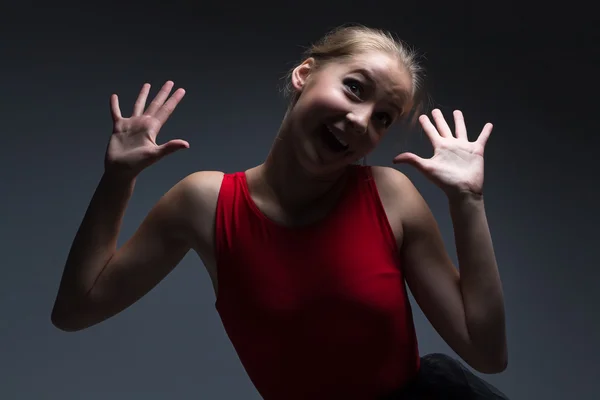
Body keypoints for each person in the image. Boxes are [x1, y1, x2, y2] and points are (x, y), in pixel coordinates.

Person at [51, 25, 509, 399]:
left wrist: (467, 201)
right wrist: (117, 180)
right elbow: (75, 310)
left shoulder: (391, 196)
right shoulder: (204, 203)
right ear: (304, 74)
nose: (360, 120)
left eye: (383, 118)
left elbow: (487, 354)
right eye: (354, 88)